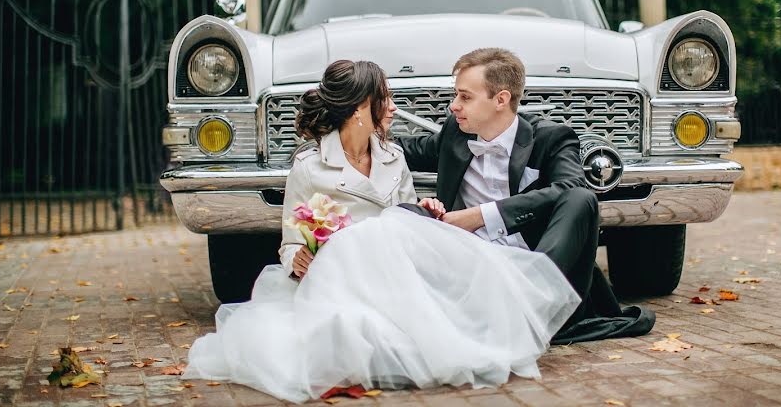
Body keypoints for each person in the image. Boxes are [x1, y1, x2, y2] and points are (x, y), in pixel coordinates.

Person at [183, 59, 581, 403]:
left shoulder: (393, 157)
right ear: (360, 109)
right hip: (337, 274)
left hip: (392, 274)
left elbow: (402, 218)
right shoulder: (309, 167)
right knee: (351, 331)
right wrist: (297, 259)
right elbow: (290, 241)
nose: (393, 107)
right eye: (384, 100)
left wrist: (425, 210)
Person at [397, 48, 655, 343]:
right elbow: (399, 150)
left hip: (542, 270)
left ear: (501, 100)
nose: (454, 105)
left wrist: (479, 216)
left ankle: (532, 302)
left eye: (465, 97)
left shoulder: (551, 138)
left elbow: (572, 188)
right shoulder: (454, 136)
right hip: (474, 269)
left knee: (580, 199)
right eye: (456, 95)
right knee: (408, 213)